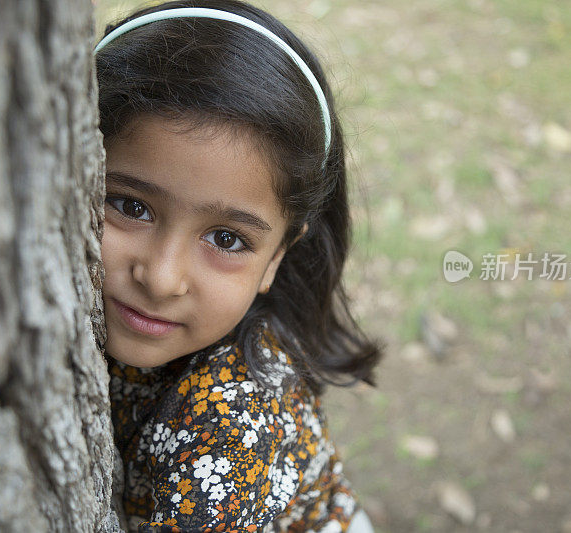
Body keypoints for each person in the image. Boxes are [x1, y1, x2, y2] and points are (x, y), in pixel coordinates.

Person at [95, 1, 383, 531]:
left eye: (226, 239)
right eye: (130, 206)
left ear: (276, 256)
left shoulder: (235, 416)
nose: (160, 278)